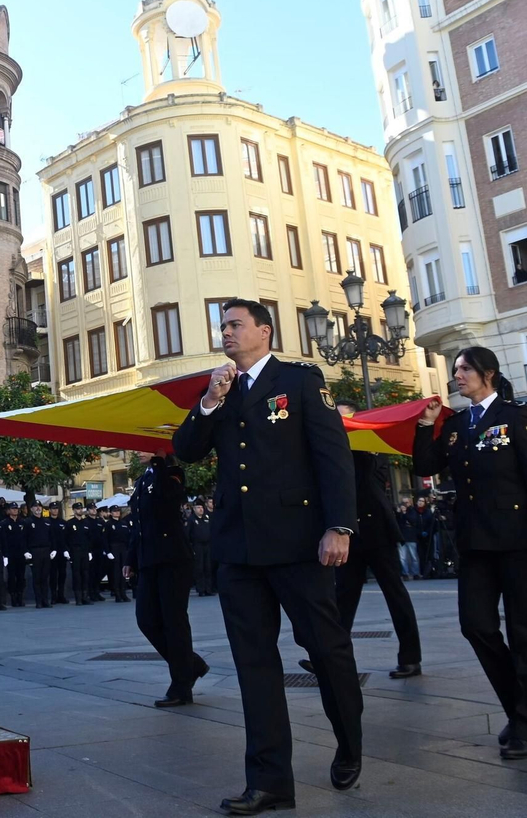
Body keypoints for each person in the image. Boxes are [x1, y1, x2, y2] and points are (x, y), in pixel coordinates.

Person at [172, 298, 363, 812]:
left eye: (236, 325)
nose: (226, 332)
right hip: (239, 549)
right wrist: (210, 400)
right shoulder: (222, 389)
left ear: (264, 331)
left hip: (299, 544)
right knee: (254, 665)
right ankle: (270, 781)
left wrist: (338, 526)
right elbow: (185, 449)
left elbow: (333, 458)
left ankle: (349, 742)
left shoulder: (300, 381)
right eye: (223, 325)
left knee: (325, 650)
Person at [414, 346, 527, 759]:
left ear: (487, 373)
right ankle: (522, 707)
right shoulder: (457, 424)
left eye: (463, 370)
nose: (456, 377)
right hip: (476, 542)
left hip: (517, 541)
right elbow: (425, 466)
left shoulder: (515, 417)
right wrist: (426, 425)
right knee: (475, 624)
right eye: (455, 370)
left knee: (526, 632)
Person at [317, 406, 421, 680]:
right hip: (348, 533)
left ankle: (411, 658)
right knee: (342, 599)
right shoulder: (329, 448)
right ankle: (330, 659)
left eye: (344, 418)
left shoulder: (370, 445)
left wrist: (352, 439)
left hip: (376, 530)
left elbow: (366, 480)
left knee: (395, 594)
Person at [125, 456, 208, 707]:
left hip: (172, 557)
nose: (135, 452)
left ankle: (181, 686)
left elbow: (168, 500)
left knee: (174, 623)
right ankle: (191, 664)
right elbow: (140, 524)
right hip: (149, 559)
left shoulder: (172, 473)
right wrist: (131, 557)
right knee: (146, 620)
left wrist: (161, 462)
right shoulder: (144, 479)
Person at [187, 501, 214, 595]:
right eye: (198, 507)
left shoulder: (206, 518)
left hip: (207, 545)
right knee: (199, 568)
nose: (201, 509)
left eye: (201, 507)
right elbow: (187, 534)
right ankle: (201, 589)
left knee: (208, 567)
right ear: (194, 509)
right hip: (197, 546)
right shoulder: (191, 520)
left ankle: (208, 589)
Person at [394, 496, 420, 580]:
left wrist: (405, 514)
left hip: (411, 536)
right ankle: (405, 573)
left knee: (413, 556)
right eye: (403, 502)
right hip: (401, 536)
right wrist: (398, 513)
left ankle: (415, 573)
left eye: (406, 502)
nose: (405, 504)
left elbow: (413, 521)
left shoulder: (412, 511)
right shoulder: (398, 512)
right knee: (402, 557)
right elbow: (397, 523)